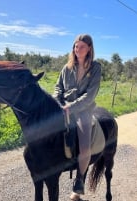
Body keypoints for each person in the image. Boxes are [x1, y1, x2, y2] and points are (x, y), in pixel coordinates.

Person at [53, 34, 102, 200]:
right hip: (63, 106)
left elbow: (90, 95)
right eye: (75, 46)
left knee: (85, 147)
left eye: (81, 46)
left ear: (89, 48)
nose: (77, 49)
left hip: (83, 110)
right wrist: (57, 100)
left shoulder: (95, 68)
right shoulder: (67, 68)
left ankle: (79, 179)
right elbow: (58, 87)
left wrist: (71, 107)